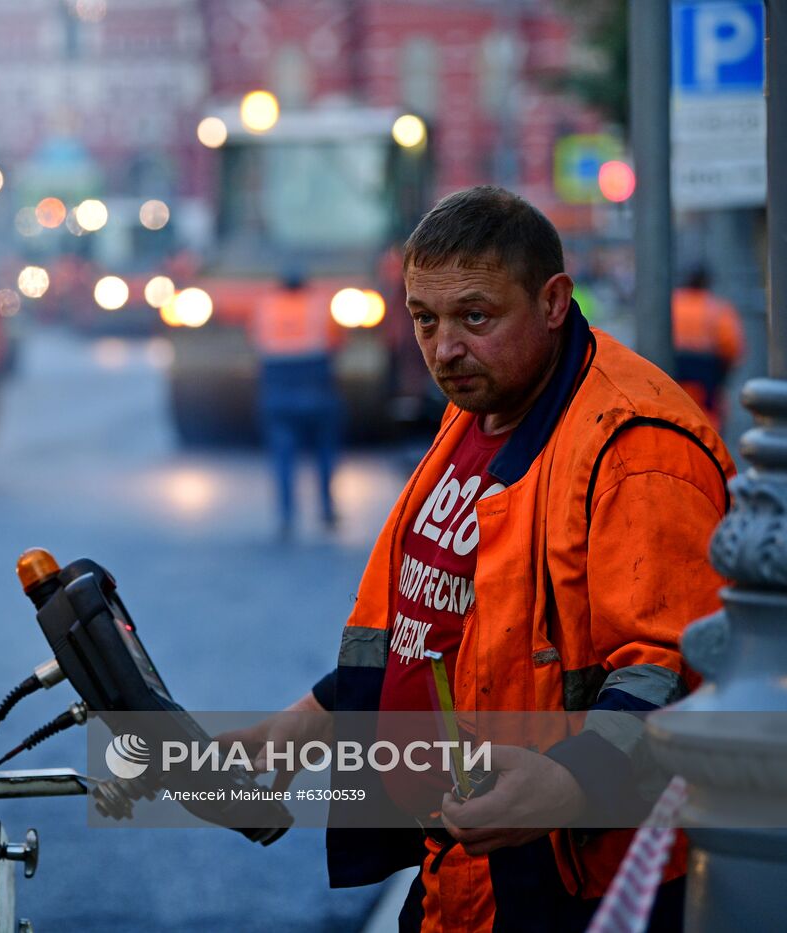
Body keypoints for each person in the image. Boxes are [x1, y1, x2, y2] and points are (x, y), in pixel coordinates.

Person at [236, 187, 734, 930]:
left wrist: (569, 784)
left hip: (578, 882)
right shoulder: (476, 406)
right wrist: (302, 724)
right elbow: (431, 618)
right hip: (464, 866)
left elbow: (669, 670)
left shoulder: (636, 447)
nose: (443, 348)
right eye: (425, 318)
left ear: (554, 301)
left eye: (476, 315)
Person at [251, 272, 343, 538]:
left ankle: (286, 516)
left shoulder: (266, 306)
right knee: (325, 452)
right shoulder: (319, 304)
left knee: (283, 456)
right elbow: (336, 341)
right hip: (316, 387)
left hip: (277, 389)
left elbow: (255, 341)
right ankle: (326, 509)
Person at [671, 266, 744, 430]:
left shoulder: (672, 302)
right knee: (708, 416)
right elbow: (731, 345)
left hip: (673, 368)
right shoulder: (716, 307)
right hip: (706, 372)